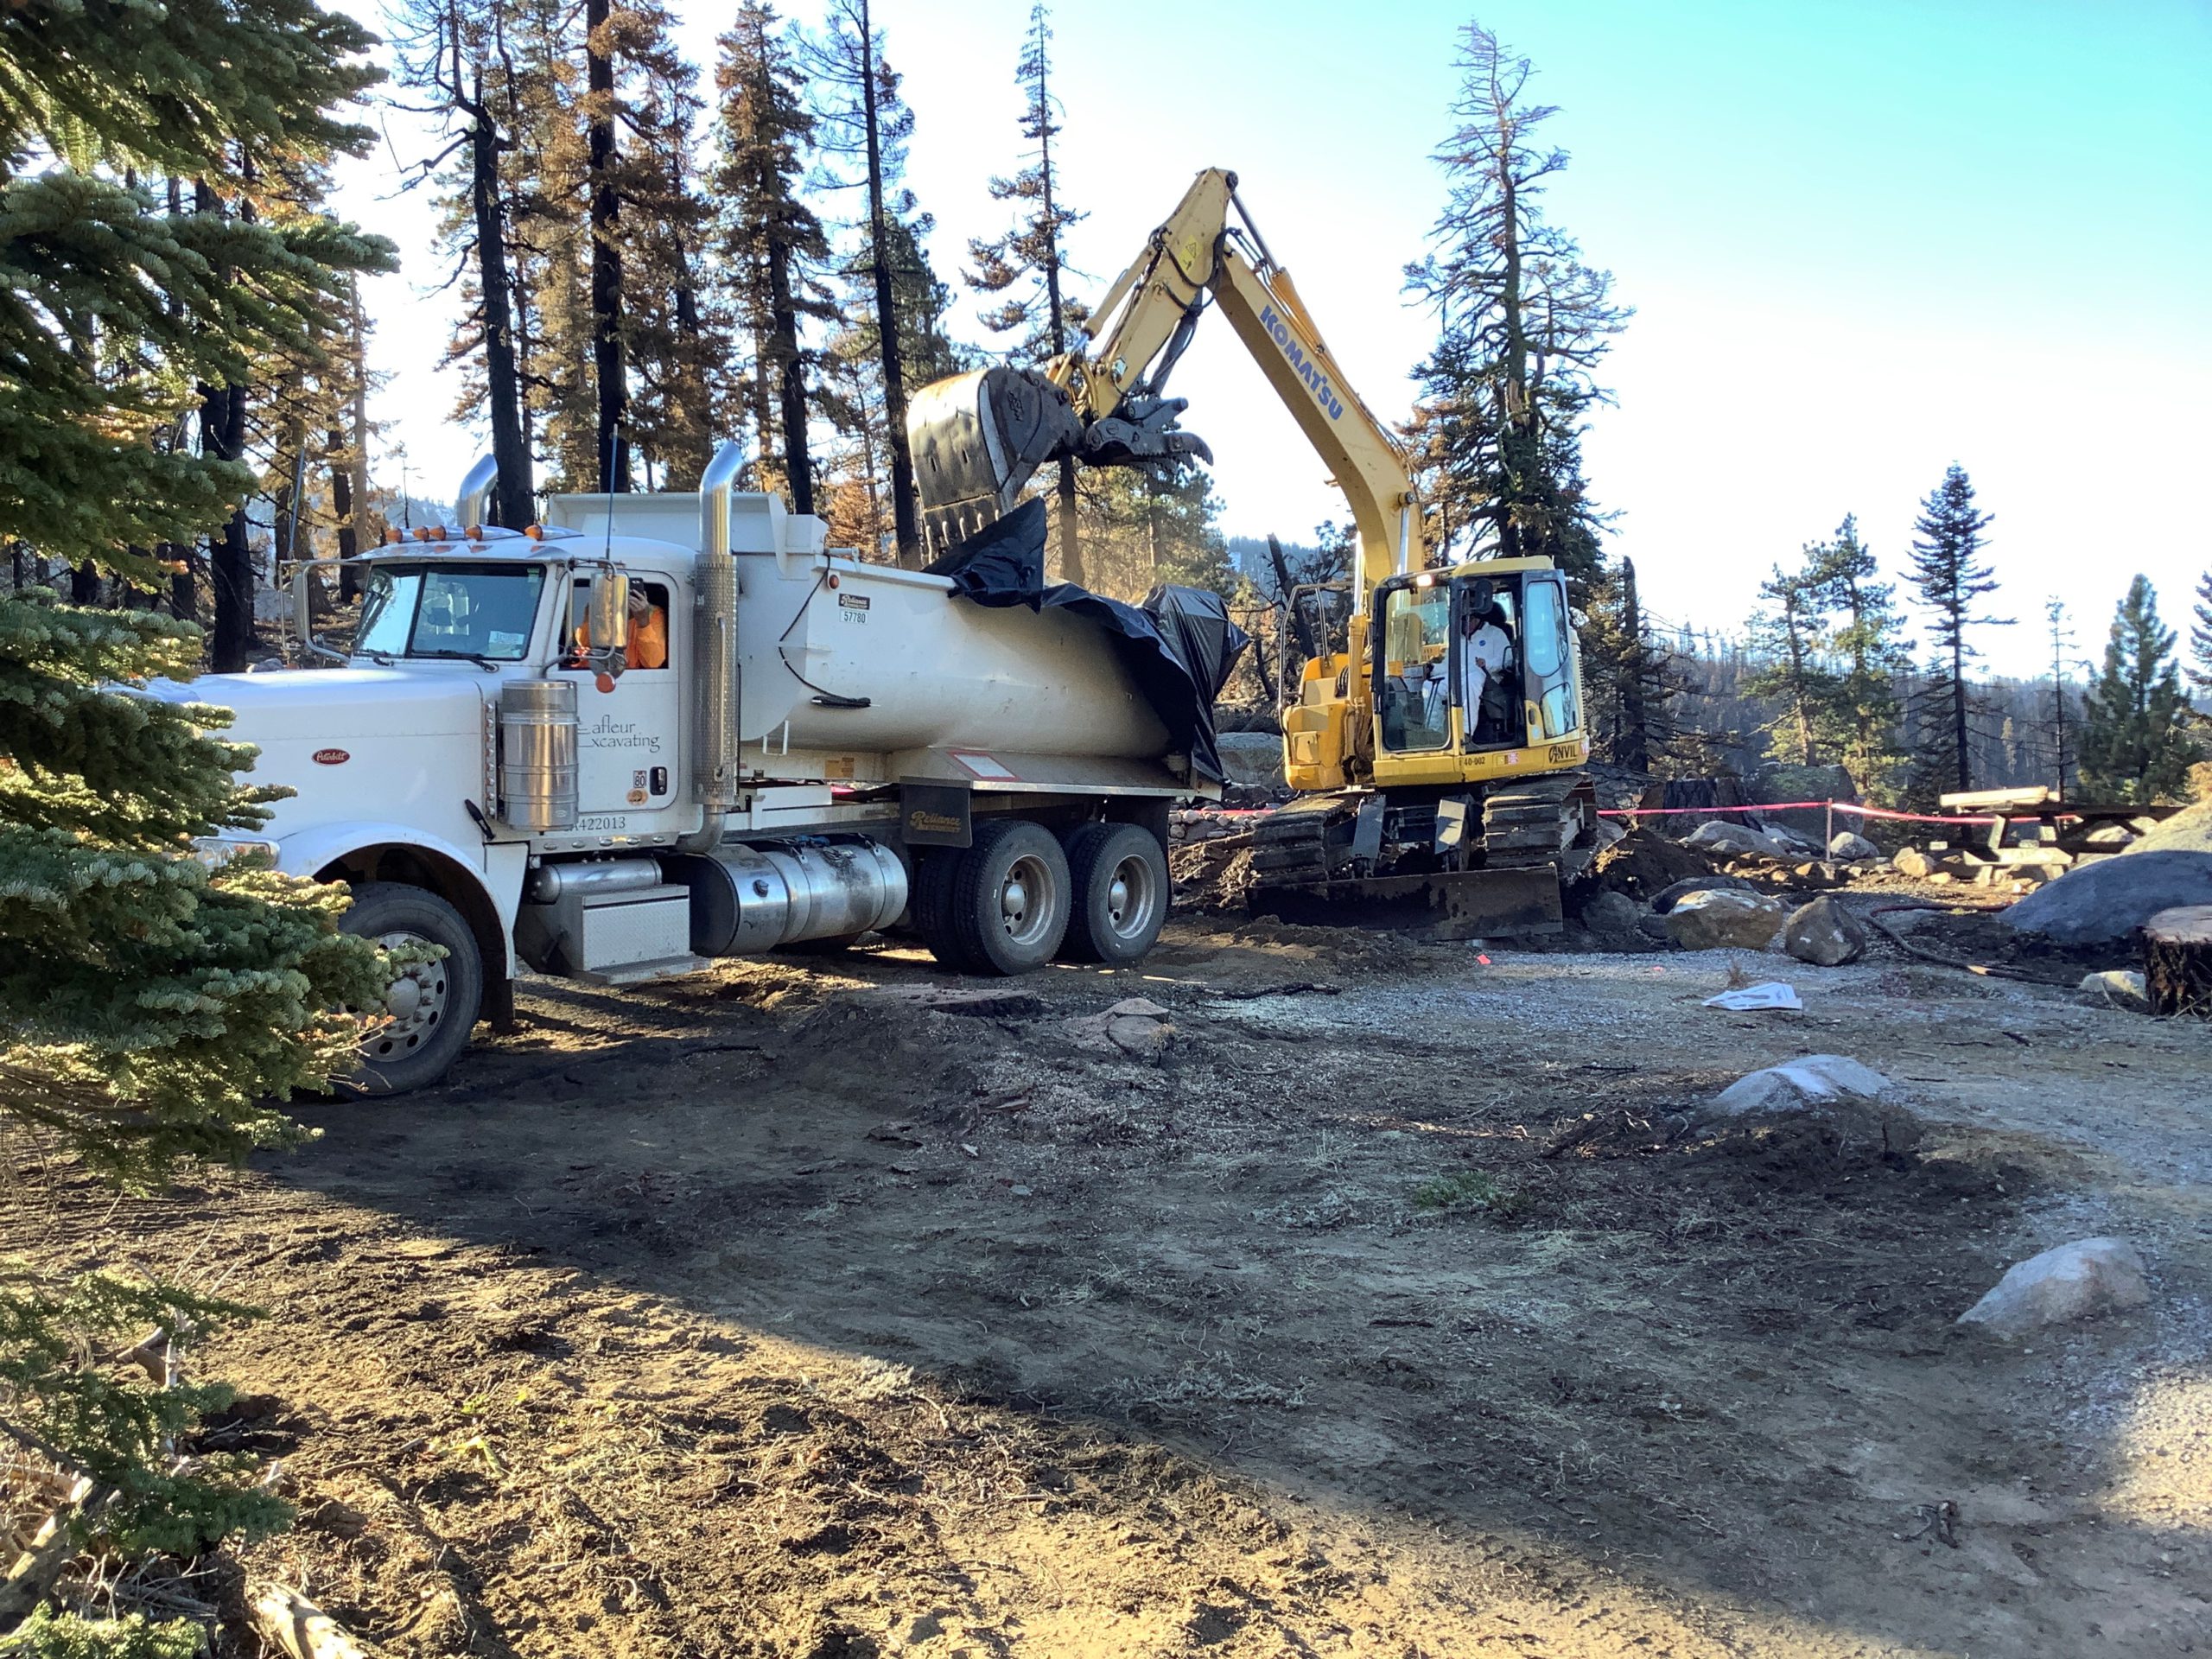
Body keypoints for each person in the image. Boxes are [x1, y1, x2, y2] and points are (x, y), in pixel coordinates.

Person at [569, 586, 667, 671]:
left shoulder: (652, 614)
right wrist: (600, 614)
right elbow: (583, 643)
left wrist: (643, 622)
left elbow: (653, 663)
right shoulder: (598, 609)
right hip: (595, 675)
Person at [1459, 601, 1511, 744]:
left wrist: (1487, 663)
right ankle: (1435, 731)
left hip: (1490, 677)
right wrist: (1433, 669)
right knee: (1432, 686)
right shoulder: (1459, 639)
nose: (1464, 625)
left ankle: (1465, 732)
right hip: (1461, 675)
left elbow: (1508, 659)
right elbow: (1448, 664)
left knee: (1471, 681)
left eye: (1466, 621)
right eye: (1461, 621)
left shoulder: (1495, 633)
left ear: (1476, 619)